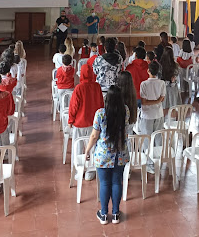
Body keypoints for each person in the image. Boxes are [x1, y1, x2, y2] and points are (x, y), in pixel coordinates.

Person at [85, 85, 130, 225]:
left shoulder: (100, 114)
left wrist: (87, 150)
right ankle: (116, 213)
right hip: (120, 153)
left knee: (104, 183)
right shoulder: (125, 111)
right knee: (117, 182)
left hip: (104, 154)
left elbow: (94, 136)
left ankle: (104, 214)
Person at [68, 62, 104, 170]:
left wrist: (71, 120)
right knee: (92, 146)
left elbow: (74, 106)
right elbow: (101, 104)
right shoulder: (97, 86)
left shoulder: (79, 88)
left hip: (80, 123)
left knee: (78, 147)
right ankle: (91, 171)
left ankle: (78, 169)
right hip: (94, 123)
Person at [139, 61, 166, 168]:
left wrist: (153, 102)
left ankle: (149, 161)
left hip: (147, 115)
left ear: (148, 71)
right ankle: (158, 159)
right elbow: (162, 98)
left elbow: (144, 102)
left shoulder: (144, 84)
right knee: (158, 137)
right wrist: (157, 101)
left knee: (147, 138)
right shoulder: (162, 83)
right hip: (158, 113)